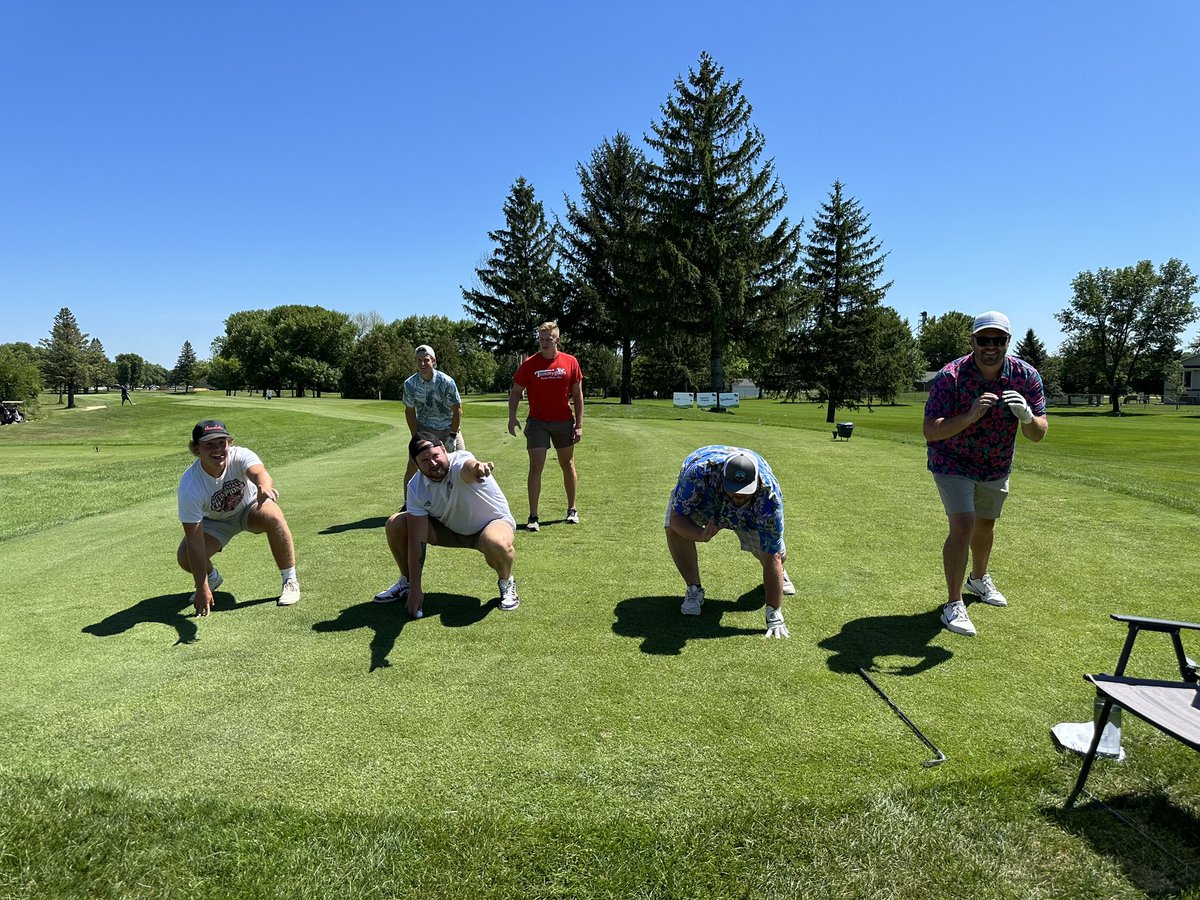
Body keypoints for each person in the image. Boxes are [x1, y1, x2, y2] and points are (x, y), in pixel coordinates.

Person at [923, 310, 1048, 637]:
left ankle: (978, 579)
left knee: (985, 525)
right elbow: (930, 431)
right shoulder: (950, 377)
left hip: (995, 464)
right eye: (983, 340)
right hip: (952, 461)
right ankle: (953, 604)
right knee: (963, 526)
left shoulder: (1025, 376)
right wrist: (969, 415)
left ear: (1008, 341)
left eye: (998, 340)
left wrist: (1027, 417)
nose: (990, 346)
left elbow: (1038, 433)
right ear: (973, 341)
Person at [374, 433, 520, 617]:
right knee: (396, 523)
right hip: (450, 530)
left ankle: (506, 582)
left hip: (490, 525)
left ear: (444, 449)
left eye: (436, 456)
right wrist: (416, 589)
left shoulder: (461, 461)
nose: (433, 463)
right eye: (424, 460)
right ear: (416, 464)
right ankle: (407, 583)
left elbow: (469, 469)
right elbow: (416, 540)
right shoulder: (415, 487)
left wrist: (478, 469)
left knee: (496, 543)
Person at [665, 445, 795, 639]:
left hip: (753, 511)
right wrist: (699, 535)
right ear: (723, 479)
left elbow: (772, 554)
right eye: (734, 491)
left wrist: (774, 612)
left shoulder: (769, 497)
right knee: (674, 530)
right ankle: (694, 589)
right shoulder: (698, 475)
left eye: (744, 492)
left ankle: (780, 574)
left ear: (756, 482)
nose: (738, 497)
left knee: (774, 554)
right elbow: (677, 518)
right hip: (707, 500)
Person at [176, 419, 301, 616]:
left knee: (273, 515)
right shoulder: (190, 487)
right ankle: (212, 577)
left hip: (250, 508)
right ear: (196, 449)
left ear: (229, 444)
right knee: (185, 557)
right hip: (217, 523)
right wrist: (201, 586)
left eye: (221, 443)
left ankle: (290, 580)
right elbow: (196, 542)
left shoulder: (240, 455)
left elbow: (259, 472)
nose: (217, 449)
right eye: (209, 444)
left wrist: (264, 487)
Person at [507, 321, 584, 531]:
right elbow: (515, 392)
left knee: (567, 464)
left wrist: (579, 424)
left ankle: (572, 509)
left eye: (548, 339)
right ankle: (533, 516)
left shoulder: (570, 362)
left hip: (563, 422)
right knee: (536, 465)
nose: (544, 343)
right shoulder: (530, 364)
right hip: (538, 422)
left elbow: (577, 395)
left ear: (557, 340)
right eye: (541, 339)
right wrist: (512, 417)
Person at [402, 344, 464, 499]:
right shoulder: (410, 384)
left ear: (433, 361)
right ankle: (408, 503)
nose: (423, 364)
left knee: (460, 465)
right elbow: (410, 411)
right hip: (425, 430)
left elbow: (457, 410)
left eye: (426, 360)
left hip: (449, 428)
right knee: (413, 466)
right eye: (419, 360)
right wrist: (416, 436)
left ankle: (460, 503)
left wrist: (452, 436)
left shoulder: (446, 381)